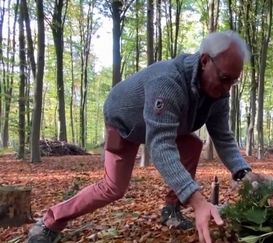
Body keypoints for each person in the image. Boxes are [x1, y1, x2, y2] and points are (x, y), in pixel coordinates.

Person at [27, 30, 257, 243]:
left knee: (192, 145)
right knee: (113, 187)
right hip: (125, 123)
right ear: (205, 61)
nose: (228, 88)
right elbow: (161, 146)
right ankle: (50, 222)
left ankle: (171, 210)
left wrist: (244, 174)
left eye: (233, 81)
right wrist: (197, 200)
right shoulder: (168, 82)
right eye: (225, 78)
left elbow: (223, 138)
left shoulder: (219, 93)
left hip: (166, 125)